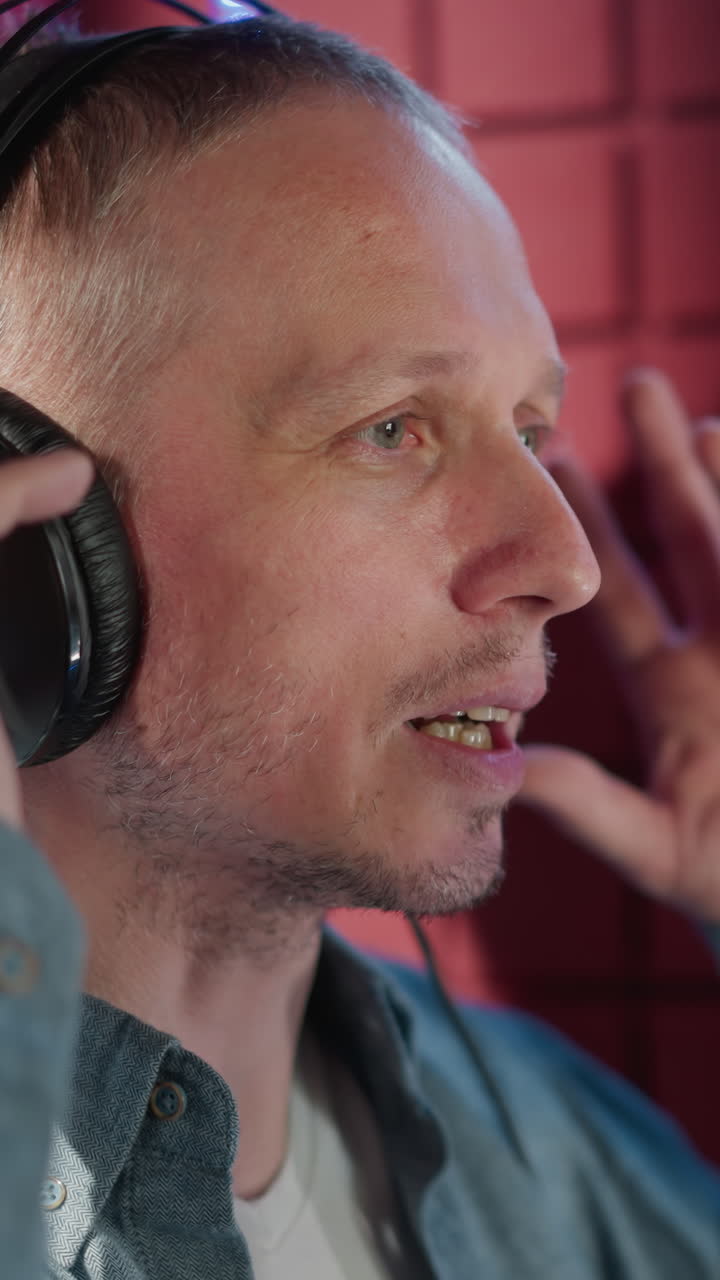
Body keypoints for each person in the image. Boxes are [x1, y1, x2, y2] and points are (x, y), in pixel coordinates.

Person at [2, 11, 720, 1279]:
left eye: (531, 429)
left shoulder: (557, 1152)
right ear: (42, 551)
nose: (564, 567)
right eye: (394, 428)